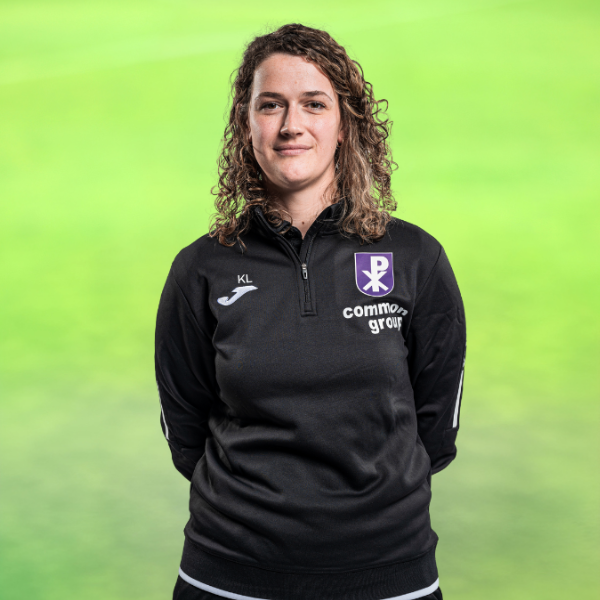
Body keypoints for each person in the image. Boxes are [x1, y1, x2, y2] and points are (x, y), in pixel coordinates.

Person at [155, 23, 466, 600]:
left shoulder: (415, 257)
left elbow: (436, 425)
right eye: (270, 104)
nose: (290, 124)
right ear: (246, 124)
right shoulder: (201, 269)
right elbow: (186, 425)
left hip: (389, 572)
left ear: (344, 123)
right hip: (229, 575)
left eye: (314, 104)